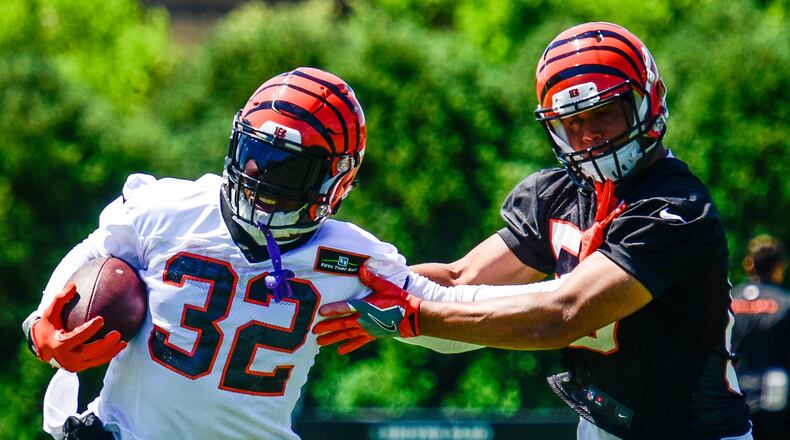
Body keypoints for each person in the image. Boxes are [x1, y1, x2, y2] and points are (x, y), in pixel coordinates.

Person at [313, 22, 753, 439]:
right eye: (573, 122)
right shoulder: (558, 194)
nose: (589, 137)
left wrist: (413, 317)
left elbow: (560, 316)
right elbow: (462, 278)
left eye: (604, 113)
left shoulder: (674, 209)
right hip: (601, 426)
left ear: (646, 102)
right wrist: (342, 284)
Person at [22, 67, 414, 440]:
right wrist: (41, 326)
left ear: (336, 178)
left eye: (288, 168)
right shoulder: (168, 208)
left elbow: (439, 303)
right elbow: (93, 250)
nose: (259, 176)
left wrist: (418, 316)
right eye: (255, 154)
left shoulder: (352, 258)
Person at [731, 235, 789, 440]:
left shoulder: (731, 299)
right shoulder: (786, 302)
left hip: (733, 396)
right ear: (779, 267)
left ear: (750, 264)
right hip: (773, 401)